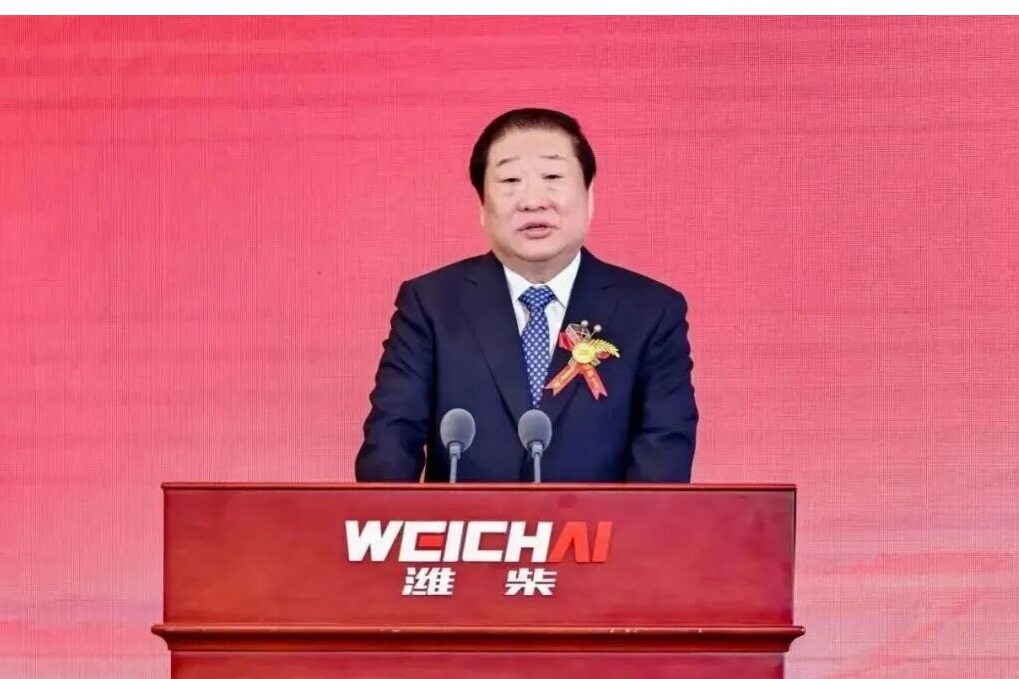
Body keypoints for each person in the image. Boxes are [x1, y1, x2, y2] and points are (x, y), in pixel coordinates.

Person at [355, 108, 698, 482]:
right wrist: (389, 515)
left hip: (601, 523)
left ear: (589, 195)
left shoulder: (651, 312)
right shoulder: (431, 304)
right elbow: (391, 441)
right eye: (510, 180)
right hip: (465, 522)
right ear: (482, 206)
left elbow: (664, 453)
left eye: (552, 177)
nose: (533, 201)